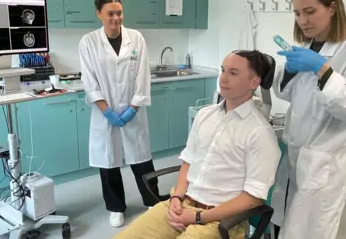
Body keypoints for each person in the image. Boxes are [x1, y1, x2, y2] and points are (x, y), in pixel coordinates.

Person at [113, 50, 281, 239]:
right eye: (223, 70)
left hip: (220, 220)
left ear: (254, 83)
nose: (223, 79)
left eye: (233, 73)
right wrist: (177, 196)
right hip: (182, 204)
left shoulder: (260, 133)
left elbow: (253, 198)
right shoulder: (204, 115)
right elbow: (188, 161)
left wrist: (198, 217)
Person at [269, 0, 346, 239]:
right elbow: (287, 93)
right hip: (295, 153)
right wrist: (290, 71)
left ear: (332, 8)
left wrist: (323, 69)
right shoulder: (309, 45)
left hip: (323, 162)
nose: (302, 21)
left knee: (309, 230)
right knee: (283, 221)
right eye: (296, 13)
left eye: (309, 11)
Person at [79, 0, 160, 228]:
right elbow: (89, 80)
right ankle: (116, 208)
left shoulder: (136, 38)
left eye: (119, 13)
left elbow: (143, 75)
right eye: (110, 13)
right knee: (108, 160)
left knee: (142, 157)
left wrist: (133, 108)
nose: (116, 18)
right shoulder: (89, 42)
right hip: (105, 112)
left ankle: (152, 201)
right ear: (98, 14)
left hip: (132, 109)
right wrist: (107, 112)